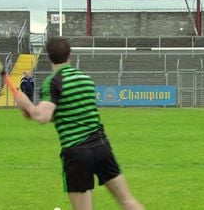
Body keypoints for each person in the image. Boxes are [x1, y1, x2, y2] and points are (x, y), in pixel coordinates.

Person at [14, 38, 144, 210]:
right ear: (70, 56)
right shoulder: (86, 80)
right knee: (127, 201)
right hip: (101, 147)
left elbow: (43, 117)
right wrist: (27, 109)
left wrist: (25, 102)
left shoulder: (53, 82)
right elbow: (63, 114)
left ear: (49, 57)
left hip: (76, 153)